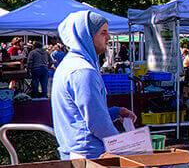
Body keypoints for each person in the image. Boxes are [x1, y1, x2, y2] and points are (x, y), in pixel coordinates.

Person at [50, 11, 136, 158]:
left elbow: (80, 115)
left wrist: (115, 111)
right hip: (89, 155)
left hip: (75, 151)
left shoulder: (69, 65)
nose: (108, 37)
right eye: (103, 33)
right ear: (86, 36)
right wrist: (125, 147)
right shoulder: (83, 71)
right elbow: (98, 124)